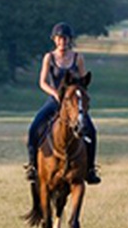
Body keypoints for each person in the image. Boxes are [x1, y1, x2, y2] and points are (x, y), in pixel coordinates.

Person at [25, 22, 101, 185]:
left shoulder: (77, 58)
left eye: (65, 38)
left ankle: (90, 169)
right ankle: (32, 165)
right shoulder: (49, 57)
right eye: (59, 38)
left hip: (73, 103)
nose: (63, 42)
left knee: (91, 131)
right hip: (55, 100)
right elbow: (42, 82)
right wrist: (55, 94)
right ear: (54, 40)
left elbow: (83, 81)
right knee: (34, 127)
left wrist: (78, 96)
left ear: (69, 40)